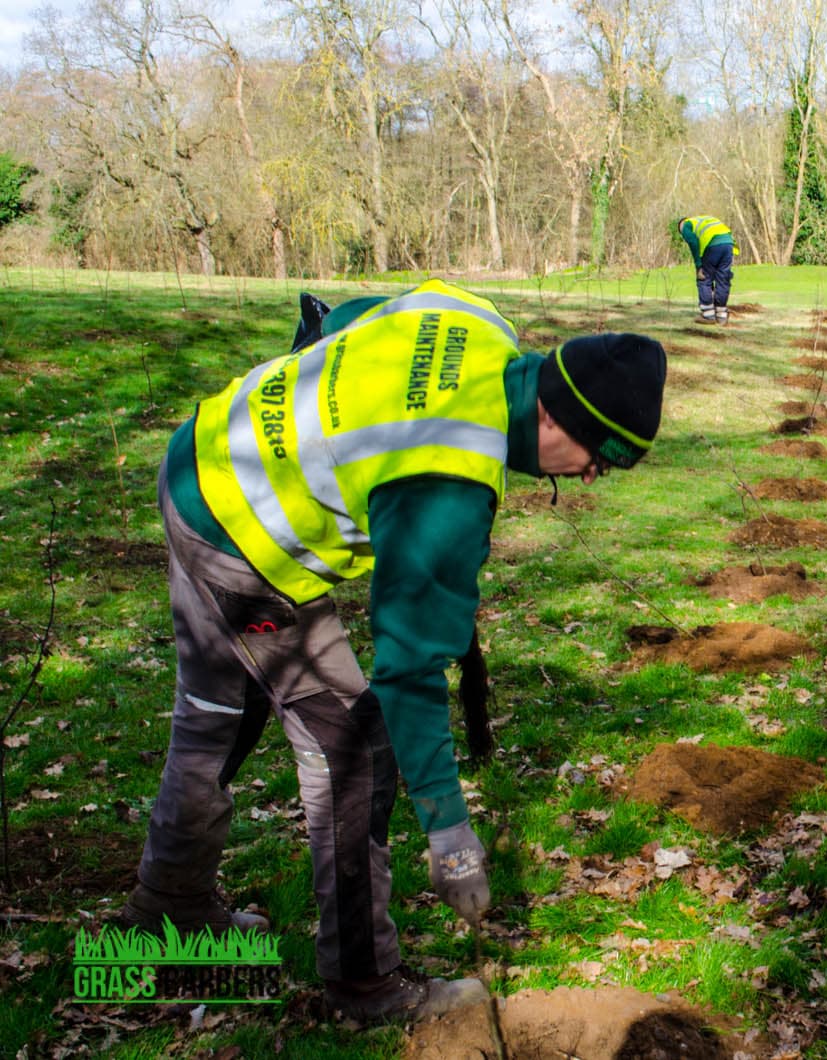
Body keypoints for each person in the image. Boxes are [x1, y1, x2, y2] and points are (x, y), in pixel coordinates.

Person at [116, 279, 668, 1023]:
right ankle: (365, 987)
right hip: (243, 538)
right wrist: (449, 830)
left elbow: (340, 324)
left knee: (218, 711)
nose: (594, 475)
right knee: (352, 749)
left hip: (206, 456)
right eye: (601, 457)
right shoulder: (448, 475)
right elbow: (406, 670)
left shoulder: (470, 318)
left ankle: (164, 916)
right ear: (554, 414)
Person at [676, 215, 738, 324]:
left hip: (713, 245)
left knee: (704, 277)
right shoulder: (703, 219)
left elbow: (693, 243)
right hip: (728, 244)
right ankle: (721, 315)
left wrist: (698, 265)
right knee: (723, 279)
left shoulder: (685, 225)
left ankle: (708, 315)